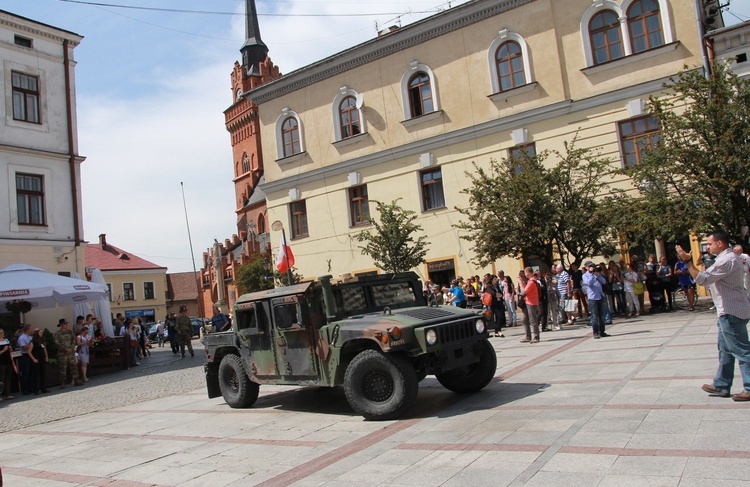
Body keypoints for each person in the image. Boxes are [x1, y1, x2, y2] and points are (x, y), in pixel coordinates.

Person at [676, 231, 750, 401]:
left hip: (731, 311)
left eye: (709, 244)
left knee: (741, 350)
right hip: (729, 310)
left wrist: (688, 261)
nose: (707, 247)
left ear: (720, 244)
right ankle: (722, 384)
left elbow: (702, 279)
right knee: (725, 350)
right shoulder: (727, 258)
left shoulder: (726, 260)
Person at [582, 261, 609, 339]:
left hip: (601, 296)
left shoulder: (596, 274)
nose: (592, 267)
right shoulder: (585, 275)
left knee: (602, 315)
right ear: (586, 267)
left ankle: (602, 332)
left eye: (592, 266)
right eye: (590, 266)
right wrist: (591, 274)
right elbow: (589, 283)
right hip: (593, 297)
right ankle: (595, 333)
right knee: (594, 316)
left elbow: (604, 282)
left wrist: (598, 275)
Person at [54, 319, 82, 388]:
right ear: (61, 325)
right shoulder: (57, 334)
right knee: (63, 368)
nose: (66, 325)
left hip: (71, 352)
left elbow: (74, 340)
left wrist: (71, 348)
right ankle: (62, 382)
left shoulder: (70, 332)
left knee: (74, 367)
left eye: (66, 324)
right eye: (64, 324)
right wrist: (65, 349)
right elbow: (57, 343)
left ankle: (76, 380)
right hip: (63, 354)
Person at [520, 267, 541, 343]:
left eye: (525, 273)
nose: (525, 274)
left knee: (533, 320)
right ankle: (528, 336)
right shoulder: (529, 281)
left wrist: (520, 282)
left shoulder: (532, 281)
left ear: (528, 272)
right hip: (527, 302)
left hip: (531, 303)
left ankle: (536, 336)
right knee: (525, 320)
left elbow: (524, 291)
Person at [30, 328, 50, 394]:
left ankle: (43, 388)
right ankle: (36, 389)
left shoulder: (42, 341)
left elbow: (45, 349)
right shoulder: (33, 342)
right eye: (40, 332)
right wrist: (33, 359)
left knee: (43, 374)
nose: (41, 334)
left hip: (42, 359)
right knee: (36, 375)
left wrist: (46, 357)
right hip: (36, 359)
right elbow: (29, 352)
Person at [17, 324, 35, 395]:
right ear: (27, 329)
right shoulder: (22, 338)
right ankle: (25, 389)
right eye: (31, 329)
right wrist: (31, 346)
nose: (31, 330)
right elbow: (24, 347)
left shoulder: (30, 337)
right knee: (26, 373)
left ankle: (31, 388)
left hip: (31, 355)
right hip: (25, 355)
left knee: (31, 372)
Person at [0, 329, 16, 401]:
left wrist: (10, 349)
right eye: (0, 333)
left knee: (8, 379)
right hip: (1, 362)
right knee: (1, 379)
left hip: (8, 361)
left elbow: (10, 351)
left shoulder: (6, 340)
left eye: (2, 333)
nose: (2, 334)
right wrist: (3, 350)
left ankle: (8, 394)